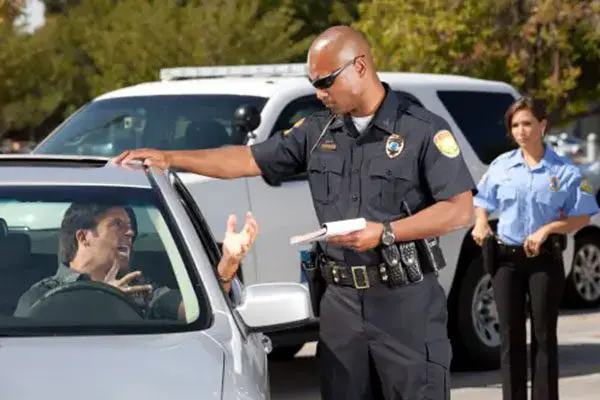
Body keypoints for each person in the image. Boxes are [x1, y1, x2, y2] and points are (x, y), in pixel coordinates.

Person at [112, 25, 475, 399]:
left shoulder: (421, 129)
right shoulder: (318, 132)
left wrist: (385, 232)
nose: (319, 93)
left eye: (326, 82)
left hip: (404, 303)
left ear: (361, 67)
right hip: (341, 306)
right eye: (313, 82)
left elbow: (459, 210)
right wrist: (170, 158)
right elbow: (246, 159)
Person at [471, 96, 599, 400]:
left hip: (544, 263)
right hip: (506, 262)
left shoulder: (564, 171)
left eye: (527, 123)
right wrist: (480, 222)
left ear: (542, 125)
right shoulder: (501, 166)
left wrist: (548, 229)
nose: (521, 131)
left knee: (543, 335)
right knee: (509, 336)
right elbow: (483, 200)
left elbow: (582, 214)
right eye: (515, 125)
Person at [14, 202, 258, 319]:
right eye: (117, 225)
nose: (130, 233)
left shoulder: (139, 289)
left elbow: (198, 310)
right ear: (84, 237)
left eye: (130, 228)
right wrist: (99, 296)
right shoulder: (43, 293)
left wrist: (228, 263)